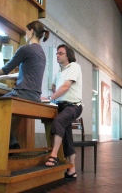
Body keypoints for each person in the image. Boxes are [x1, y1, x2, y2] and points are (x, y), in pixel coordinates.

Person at [0, 20, 49, 149]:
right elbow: (22, 74)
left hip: (23, 93)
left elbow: (7, 67)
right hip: (34, 96)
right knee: (1, 108)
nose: (24, 35)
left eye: (26, 32)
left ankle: (4, 148)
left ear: (32, 31)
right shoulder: (41, 53)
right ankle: (11, 144)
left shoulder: (26, 49)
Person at [45, 44, 83, 181]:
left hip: (73, 106)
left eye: (60, 53)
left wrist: (50, 98)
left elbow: (66, 86)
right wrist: (55, 97)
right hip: (61, 106)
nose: (57, 55)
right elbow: (55, 85)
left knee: (58, 121)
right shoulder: (59, 72)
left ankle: (53, 155)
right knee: (67, 138)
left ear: (68, 55)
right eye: (57, 53)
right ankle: (71, 171)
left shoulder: (74, 67)